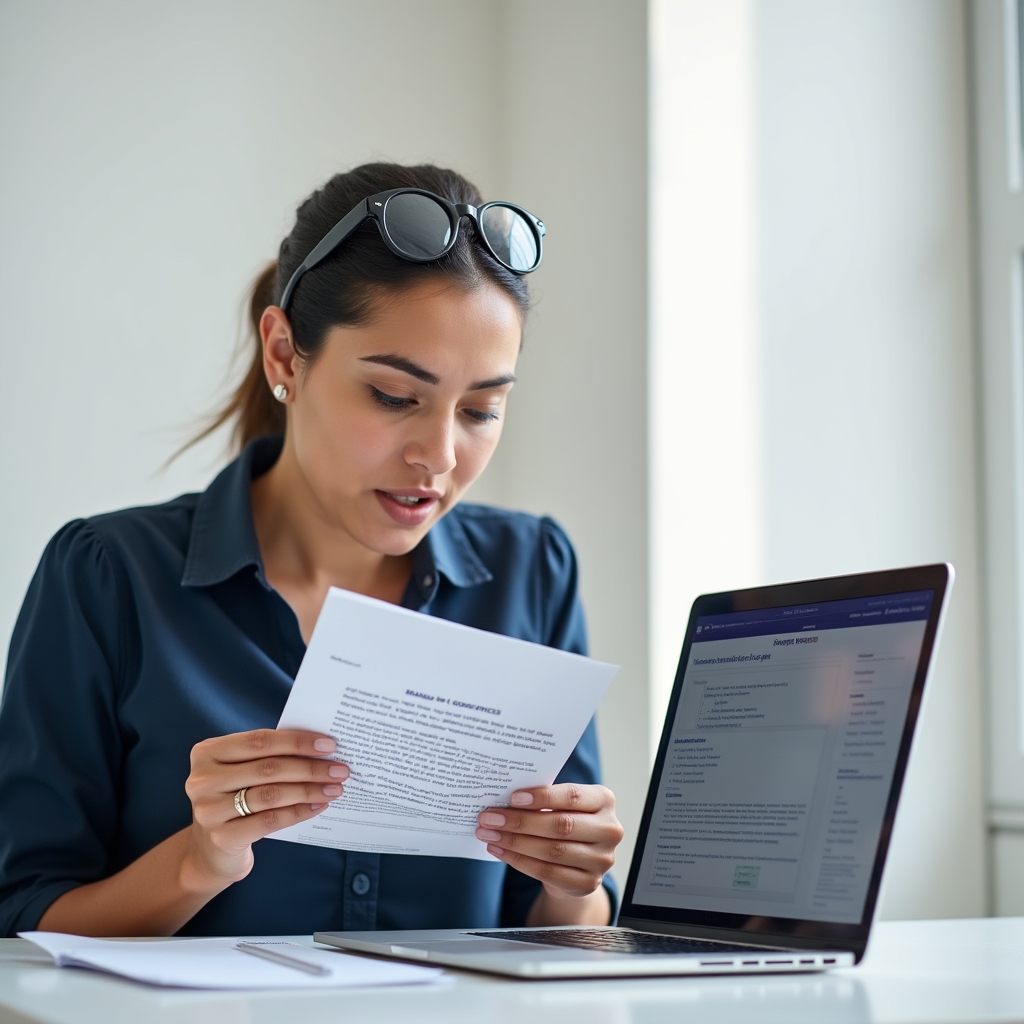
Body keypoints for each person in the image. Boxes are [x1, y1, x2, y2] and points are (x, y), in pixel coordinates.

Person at [0, 162, 623, 938]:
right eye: (395, 398)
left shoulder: (534, 571)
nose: (438, 455)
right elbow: (23, 920)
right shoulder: (108, 575)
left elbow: (566, 928)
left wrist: (574, 884)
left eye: (482, 410)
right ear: (285, 355)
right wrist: (201, 860)